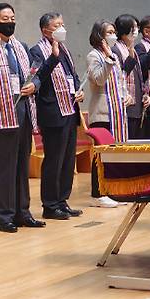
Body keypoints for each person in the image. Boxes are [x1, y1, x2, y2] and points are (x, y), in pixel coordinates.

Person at [0, 3, 54, 233]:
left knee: (21, 166)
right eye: (5, 18)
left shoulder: (21, 47)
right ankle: (4, 216)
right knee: (4, 168)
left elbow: (34, 75)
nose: (10, 22)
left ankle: (23, 212)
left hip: (23, 114)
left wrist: (34, 85)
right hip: (1, 116)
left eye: (13, 17)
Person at [30, 12, 85, 220]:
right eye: (57, 25)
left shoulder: (65, 49)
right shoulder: (37, 50)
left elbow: (73, 75)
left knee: (68, 159)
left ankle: (62, 200)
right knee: (54, 159)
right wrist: (52, 57)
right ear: (46, 30)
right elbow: (37, 77)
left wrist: (79, 90)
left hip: (70, 109)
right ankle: (50, 205)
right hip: (52, 111)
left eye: (63, 24)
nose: (62, 28)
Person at [86, 20, 130, 208]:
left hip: (118, 110)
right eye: (109, 32)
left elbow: (121, 81)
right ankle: (98, 193)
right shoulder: (93, 55)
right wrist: (108, 60)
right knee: (101, 153)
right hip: (103, 110)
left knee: (116, 152)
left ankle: (114, 190)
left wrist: (126, 94)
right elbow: (98, 79)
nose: (113, 35)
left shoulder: (114, 55)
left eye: (114, 32)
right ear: (100, 36)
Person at [112, 14, 150, 139]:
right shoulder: (116, 50)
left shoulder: (131, 48)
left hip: (137, 106)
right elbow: (120, 75)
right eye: (133, 28)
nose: (136, 31)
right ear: (124, 30)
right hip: (126, 105)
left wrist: (144, 94)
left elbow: (139, 76)